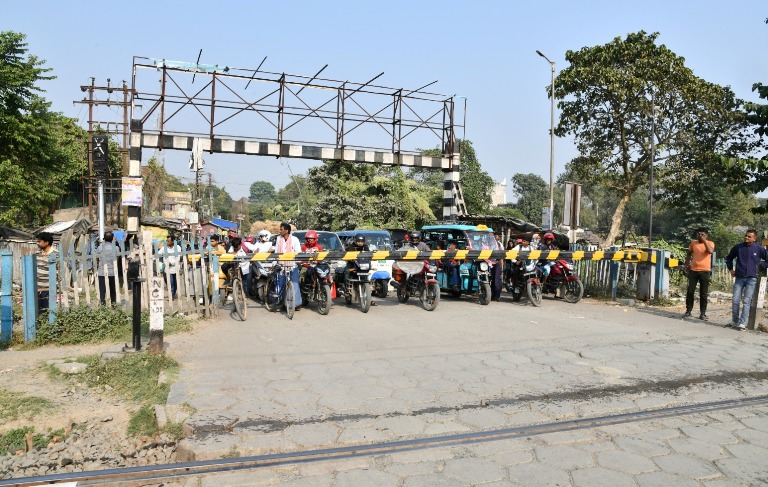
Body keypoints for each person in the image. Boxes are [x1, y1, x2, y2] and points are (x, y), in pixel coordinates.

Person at [725, 229, 768, 331]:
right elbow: (729, 258)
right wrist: (731, 269)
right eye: (746, 236)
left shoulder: (759, 248)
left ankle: (742, 323)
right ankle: (734, 321)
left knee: (747, 301)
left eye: (749, 236)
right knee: (735, 300)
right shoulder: (738, 247)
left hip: (752, 278)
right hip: (739, 277)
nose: (746, 238)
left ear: (754, 238)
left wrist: (761, 266)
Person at [683, 228, 715, 320]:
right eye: (699, 234)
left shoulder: (710, 243)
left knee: (703, 293)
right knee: (690, 291)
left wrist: (704, 241)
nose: (700, 236)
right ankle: (688, 311)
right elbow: (689, 254)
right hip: (693, 270)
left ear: (706, 235)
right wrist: (686, 264)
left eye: (702, 234)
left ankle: (702, 313)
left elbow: (710, 251)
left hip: (705, 271)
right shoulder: (693, 243)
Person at [275, 222, 303, 310]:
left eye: (281, 229)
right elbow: (276, 252)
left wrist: (298, 263)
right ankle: (284, 304)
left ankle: (297, 304)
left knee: (294, 284)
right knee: (282, 284)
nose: (280, 231)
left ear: (287, 231)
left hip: (293, 265)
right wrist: (275, 263)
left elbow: (298, 252)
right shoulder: (278, 239)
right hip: (281, 265)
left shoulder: (295, 239)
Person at [35, 232, 57, 314]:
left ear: (46, 242)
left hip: (49, 288)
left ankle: (50, 326)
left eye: (39, 241)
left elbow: (59, 271)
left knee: (49, 310)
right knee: (39, 311)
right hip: (37, 288)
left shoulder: (56, 254)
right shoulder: (37, 254)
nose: (37, 243)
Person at [97, 231, 120, 306]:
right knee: (113, 290)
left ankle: (103, 306)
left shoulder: (100, 248)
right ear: (112, 239)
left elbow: (97, 259)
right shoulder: (116, 248)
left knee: (102, 290)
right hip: (112, 272)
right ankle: (113, 305)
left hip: (102, 272)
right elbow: (117, 259)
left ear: (104, 239)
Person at [161, 235, 181, 300]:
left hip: (175, 268)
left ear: (172, 241)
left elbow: (178, 258)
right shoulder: (164, 248)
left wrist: (171, 263)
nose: (167, 242)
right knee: (170, 283)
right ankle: (171, 295)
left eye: (168, 241)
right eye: (166, 241)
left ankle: (173, 293)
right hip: (168, 269)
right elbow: (158, 253)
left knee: (175, 283)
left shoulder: (177, 247)